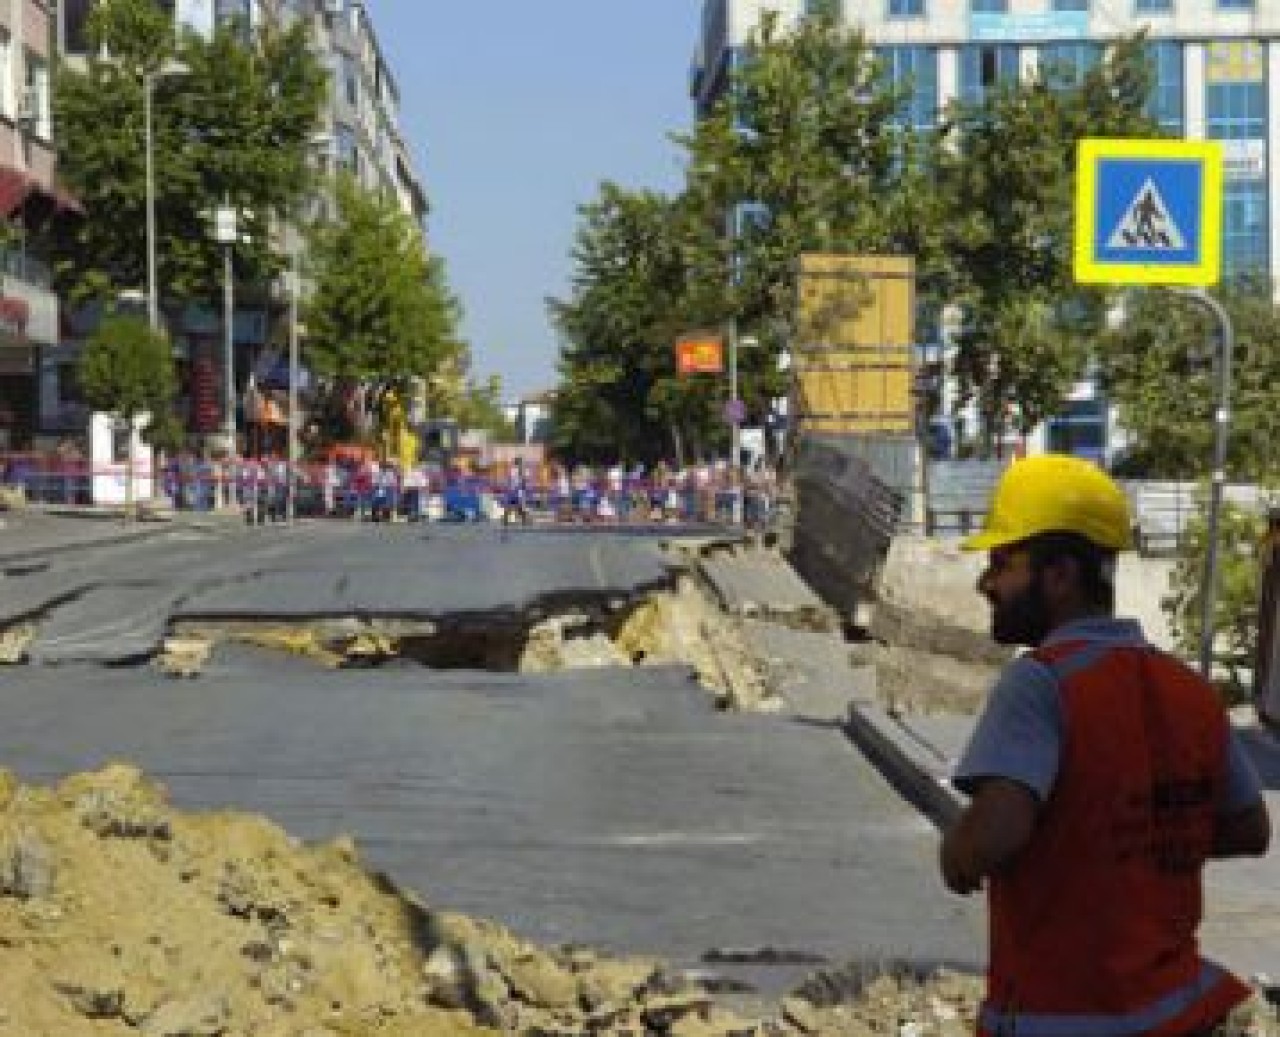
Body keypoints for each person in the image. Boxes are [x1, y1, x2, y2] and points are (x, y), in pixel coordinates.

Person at [940, 453, 1271, 1037]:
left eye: (1002, 563)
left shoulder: (1041, 682)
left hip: (1062, 1017)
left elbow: (994, 835)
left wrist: (956, 855)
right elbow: (1249, 828)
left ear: (1059, 574)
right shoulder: (1188, 689)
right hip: (1174, 1013)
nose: (986, 583)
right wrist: (1139, 843)